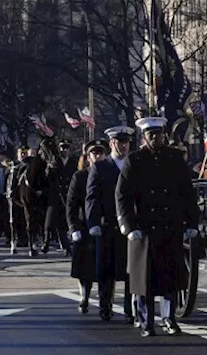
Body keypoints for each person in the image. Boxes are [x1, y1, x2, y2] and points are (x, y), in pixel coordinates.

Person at [116, 117, 198, 337]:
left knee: (169, 276)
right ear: (144, 137)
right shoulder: (134, 160)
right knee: (144, 280)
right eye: (151, 135)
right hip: (144, 228)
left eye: (159, 134)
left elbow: (187, 192)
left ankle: (169, 318)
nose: (156, 138)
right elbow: (122, 196)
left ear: (164, 135)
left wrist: (192, 222)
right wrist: (128, 225)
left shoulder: (174, 159)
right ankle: (146, 321)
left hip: (169, 225)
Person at [87, 126, 134, 323]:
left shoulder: (134, 165)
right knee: (106, 269)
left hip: (130, 224)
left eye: (125, 143)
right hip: (108, 224)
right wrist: (93, 223)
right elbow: (92, 198)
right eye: (118, 142)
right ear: (111, 143)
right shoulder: (100, 167)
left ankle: (130, 309)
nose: (123, 146)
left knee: (131, 269)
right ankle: (105, 306)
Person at [67, 140, 107, 314]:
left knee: (106, 269)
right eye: (94, 153)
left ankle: (106, 303)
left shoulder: (111, 173)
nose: (97, 156)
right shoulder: (80, 176)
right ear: (88, 156)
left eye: (100, 153)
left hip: (105, 226)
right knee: (84, 268)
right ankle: (84, 296)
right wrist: (73, 227)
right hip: (84, 226)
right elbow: (72, 204)